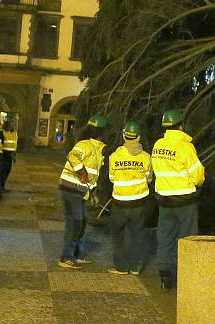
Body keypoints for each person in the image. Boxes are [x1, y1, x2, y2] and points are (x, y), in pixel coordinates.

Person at [151, 109, 205, 290]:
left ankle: (165, 276)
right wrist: (196, 184)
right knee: (187, 238)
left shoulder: (158, 145)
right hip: (185, 201)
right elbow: (198, 175)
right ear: (181, 126)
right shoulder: (185, 147)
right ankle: (186, 276)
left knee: (165, 238)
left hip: (164, 200)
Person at [58, 114, 107, 269]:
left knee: (82, 222)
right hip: (70, 189)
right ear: (100, 132)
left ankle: (77, 254)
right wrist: (82, 172)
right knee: (75, 223)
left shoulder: (98, 149)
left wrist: (92, 191)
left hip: (81, 191)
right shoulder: (85, 144)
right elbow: (72, 156)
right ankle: (66, 257)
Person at [107, 121, 152, 276]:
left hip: (119, 202)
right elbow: (149, 178)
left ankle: (121, 267)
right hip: (139, 202)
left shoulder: (114, 156)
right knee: (137, 235)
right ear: (138, 137)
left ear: (124, 136)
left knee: (118, 235)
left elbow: (112, 178)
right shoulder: (146, 157)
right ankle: (135, 267)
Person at [0, 119, 17, 192]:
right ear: (6, 125)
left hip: (9, 155)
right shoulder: (1, 132)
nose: (11, 126)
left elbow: (14, 145)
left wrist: (14, 155)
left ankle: (1, 186)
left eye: (12, 125)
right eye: (10, 125)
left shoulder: (13, 133)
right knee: (2, 171)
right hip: (3, 154)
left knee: (7, 170)